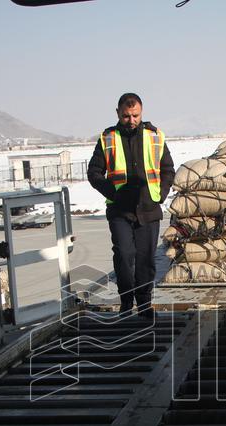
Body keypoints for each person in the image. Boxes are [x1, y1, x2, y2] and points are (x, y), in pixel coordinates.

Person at [87, 92, 175, 317]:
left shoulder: (155, 136)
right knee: (125, 255)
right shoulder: (107, 138)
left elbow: (168, 170)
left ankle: (145, 304)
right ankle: (127, 302)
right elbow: (94, 173)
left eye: (135, 115)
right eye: (126, 116)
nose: (131, 120)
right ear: (118, 113)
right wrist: (114, 193)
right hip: (120, 211)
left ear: (141, 112)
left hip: (148, 208)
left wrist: (160, 195)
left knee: (145, 258)